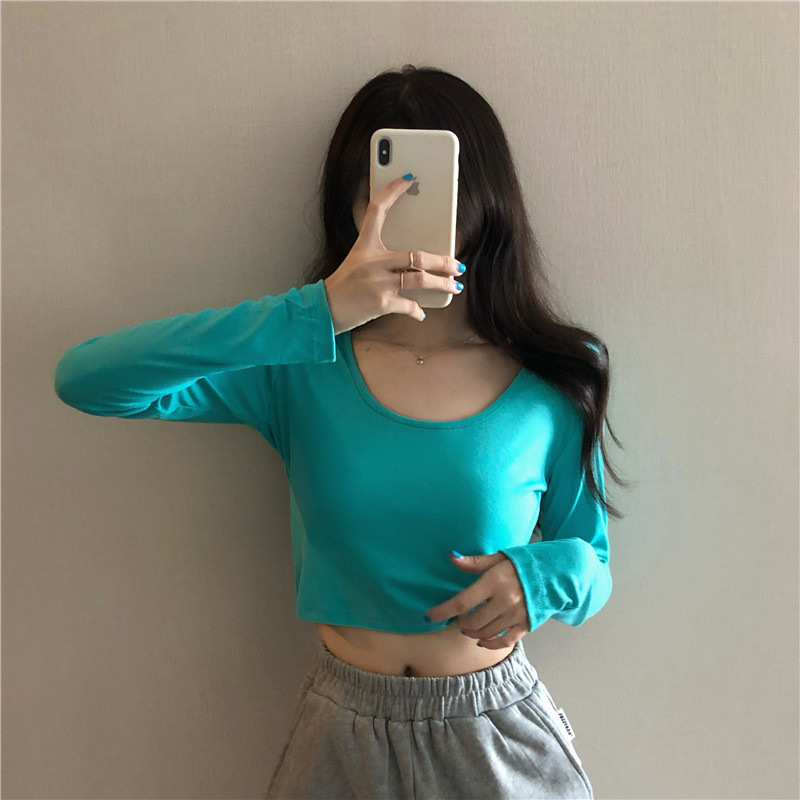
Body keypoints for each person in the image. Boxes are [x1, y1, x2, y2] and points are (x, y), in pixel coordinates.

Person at [54, 64, 628, 800]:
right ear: (350, 205)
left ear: (485, 197)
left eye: (435, 187)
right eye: (383, 186)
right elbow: (89, 380)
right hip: (342, 737)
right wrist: (312, 313)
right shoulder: (298, 365)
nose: (409, 209)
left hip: (496, 736)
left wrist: (542, 579)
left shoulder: (553, 376)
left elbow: (593, 564)